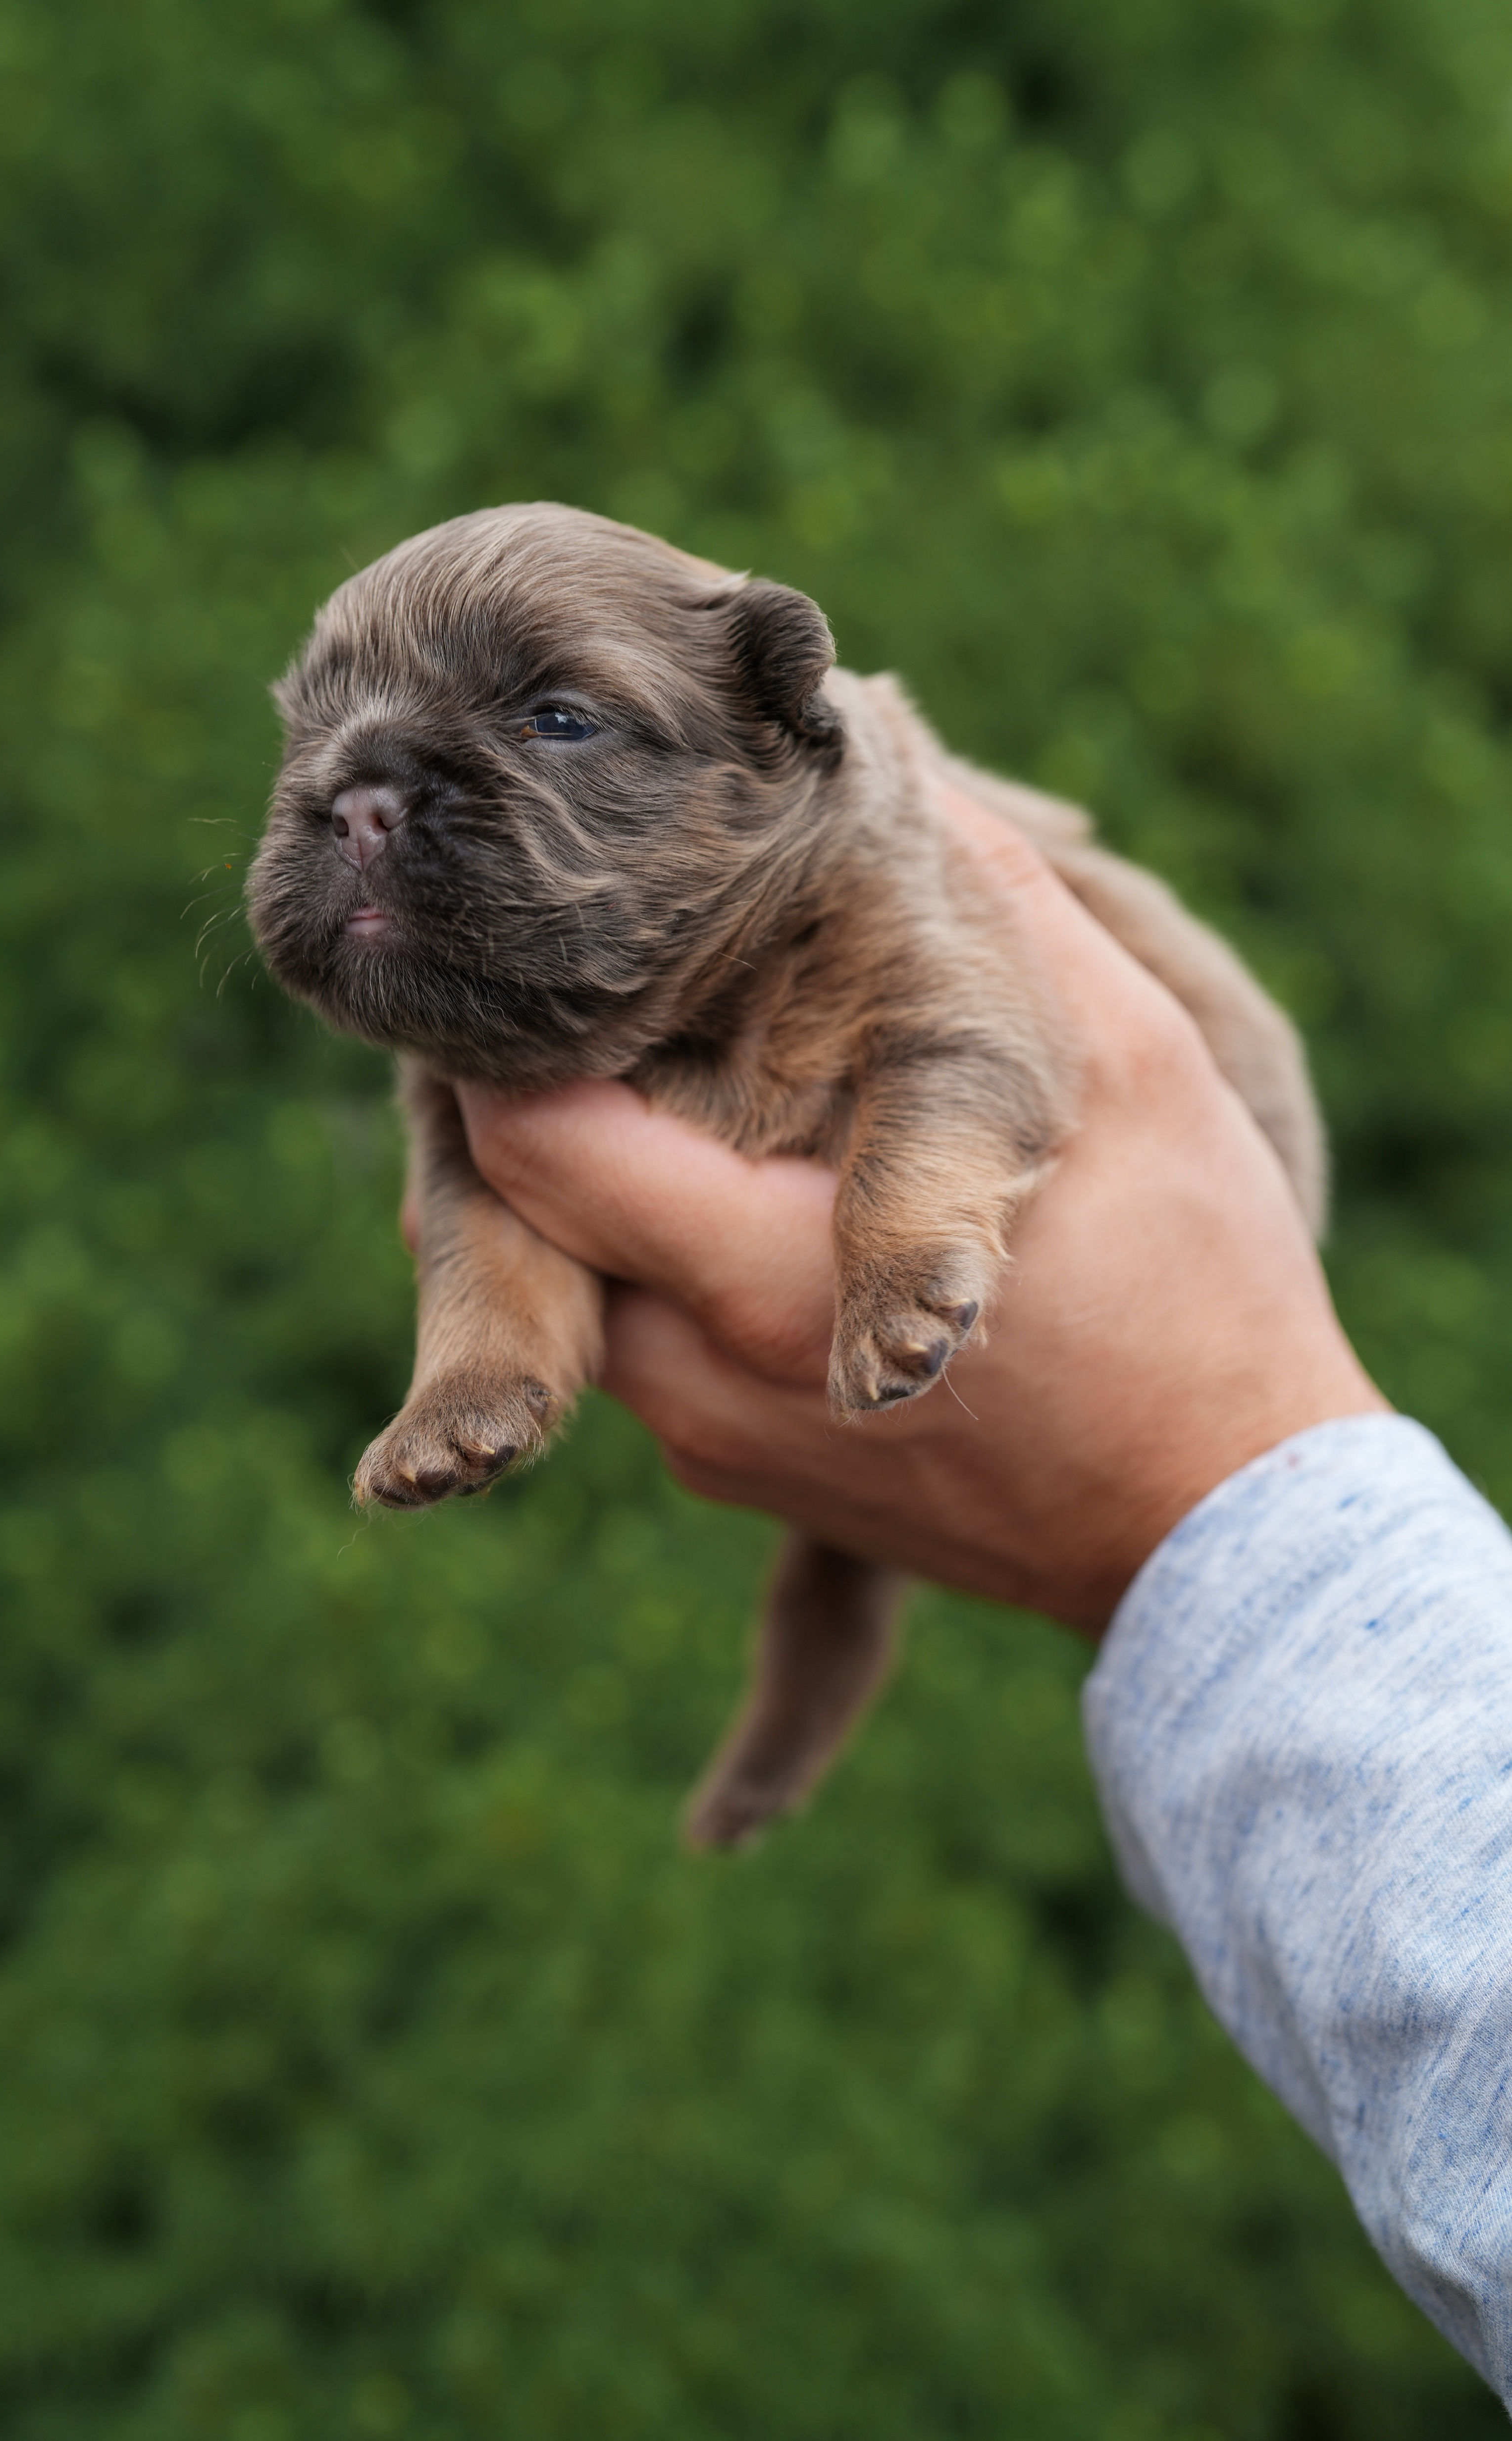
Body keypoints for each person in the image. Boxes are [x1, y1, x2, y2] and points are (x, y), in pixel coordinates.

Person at [448, 777, 1512, 2405]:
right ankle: (781, 1737)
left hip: (1164, 1204)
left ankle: (793, 1712)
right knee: (826, 1549)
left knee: (837, 1548)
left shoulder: (856, 882)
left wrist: (1211, 1463)